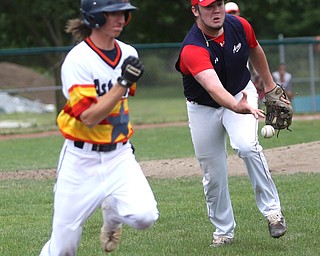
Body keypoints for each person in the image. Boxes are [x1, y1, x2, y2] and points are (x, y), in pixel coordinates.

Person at [39, 0, 159, 255]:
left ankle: (112, 214)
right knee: (63, 247)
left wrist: (122, 85)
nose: (120, 19)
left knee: (144, 216)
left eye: (123, 13)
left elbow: (121, 103)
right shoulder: (78, 59)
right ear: (94, 17)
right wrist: (122, 82)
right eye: (112, 13)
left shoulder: (129, 53)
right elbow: (90, 117)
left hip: (119, 155)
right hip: (80, 160)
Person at [175, 0, 289, 247]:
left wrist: (269, 86)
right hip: (203, 107)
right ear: (195, 11)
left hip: (241, 93)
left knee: (247, 146)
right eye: (208, 7)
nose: (215, 11)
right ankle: (223, 232)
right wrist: (236, 107)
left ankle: (273, 213)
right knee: (213, 174)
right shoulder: (192, 48)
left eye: (219, 4)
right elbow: (214, 88)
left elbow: (255, 49)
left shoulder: (240, 25)